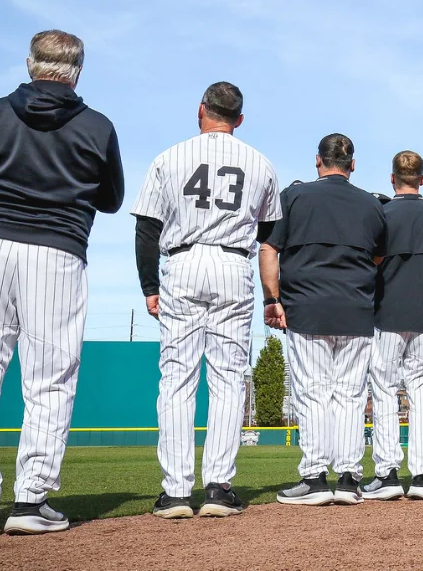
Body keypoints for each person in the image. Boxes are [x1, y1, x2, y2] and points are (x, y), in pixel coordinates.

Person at [0, 30, 124, 536]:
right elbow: (110, 199)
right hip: (58, 252)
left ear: (29, 64)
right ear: (78, 71)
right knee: (50, 378)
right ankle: (30, 501)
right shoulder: (98, 125)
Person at [133, 82, 279, 519]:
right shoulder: (260, 162)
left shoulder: (169, 157)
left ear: (201, 111)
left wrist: (149, 285)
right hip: (234, 264)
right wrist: (273, 293)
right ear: (239, 119)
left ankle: (176, 493)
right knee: (228, 379)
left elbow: (146, 227)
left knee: (177, 378)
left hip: (182, 262)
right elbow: (271, 235)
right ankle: (218, 487)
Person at [261, 133, 386, 506]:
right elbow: (380, 258)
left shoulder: (295, 196)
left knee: (313, 391)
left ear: (319, 161)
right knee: (349, 394)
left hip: (307, 308)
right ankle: (349, 478)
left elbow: (269, 248)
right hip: (356, 309)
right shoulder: (371, 204)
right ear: (353, 164)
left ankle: (315, 478)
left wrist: (272, 299)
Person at [363, 151, 423, 501]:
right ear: (422, 179)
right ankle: (421, 477)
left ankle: (387, 475)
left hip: (386, 313)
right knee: (422, 398)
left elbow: (370, 260)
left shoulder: (381, 214)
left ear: (392, 179)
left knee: (384, 391)